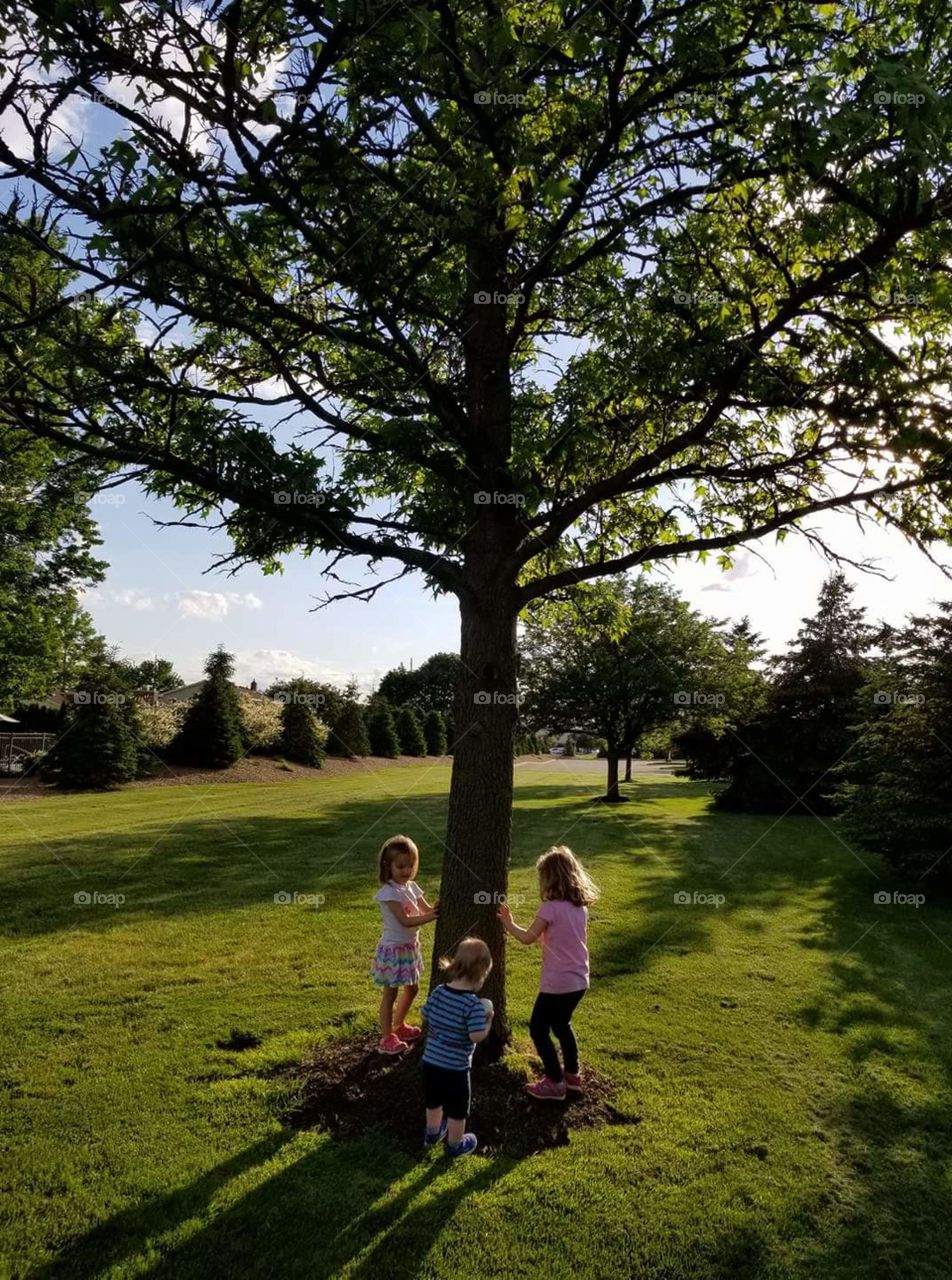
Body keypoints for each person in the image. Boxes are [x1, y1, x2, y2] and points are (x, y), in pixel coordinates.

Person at [498, 844, 599, 1100]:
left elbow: (528, 938)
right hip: (579, 980)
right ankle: (572, 1076)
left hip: (557, 982)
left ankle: (555, 1080)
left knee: (538, 1028)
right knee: (562, 1024)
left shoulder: (550, 909)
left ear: (550, 879)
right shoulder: (580, 907)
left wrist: (508, 923)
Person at [420, 937, 493, 1156]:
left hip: (430, 1062)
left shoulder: (439, 991)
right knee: (457, 1110)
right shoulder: (472, 1005)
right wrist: (488, 1018)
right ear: (480, 975)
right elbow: (477, 1036)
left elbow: (424, 1015)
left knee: (433, 1102)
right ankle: (455, 1145)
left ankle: (432, 1133)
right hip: (456, 1069)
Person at [370, 834, 438, 1054]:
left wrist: (439, 907)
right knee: (390, 993)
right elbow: (405, 920)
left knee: (413, 988)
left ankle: (399, 1025)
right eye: (400, 866)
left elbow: (427, 909)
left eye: (410, 865)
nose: (406, 870)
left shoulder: (412, 887)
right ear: (387, 866)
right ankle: (386, 1037)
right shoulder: (389, 893)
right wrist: (433, 916)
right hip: (393, 949)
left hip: (410, 947)